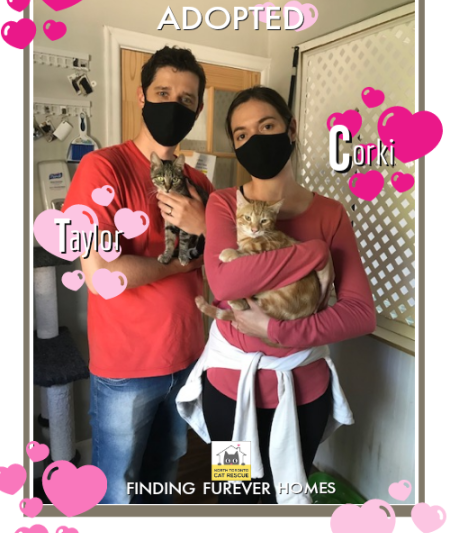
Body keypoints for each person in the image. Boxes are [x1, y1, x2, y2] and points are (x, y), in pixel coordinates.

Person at [176, 86, 376, 505]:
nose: (255, 140)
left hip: (303, 394)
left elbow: (360, 313)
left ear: (291, 128)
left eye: (267, 126)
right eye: (242, 134)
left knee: (285, 496)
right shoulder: (223, 205)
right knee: (234, 495)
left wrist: (276, 331)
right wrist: (313, 253)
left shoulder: (330, 214)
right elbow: (226, 284)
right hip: (229, 393)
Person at [62, 46, 214, 504]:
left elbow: (224, 261)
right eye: (163, 93)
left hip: (187, 356)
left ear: (197, 110)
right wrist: (183, 263)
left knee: (165, 471)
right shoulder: (102, 168)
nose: (174, 105)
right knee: (118, 489)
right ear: (141, 96)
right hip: (127, 367)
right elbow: (101, 273)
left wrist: (207, 233)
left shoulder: (200, 185)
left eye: (186, 99)